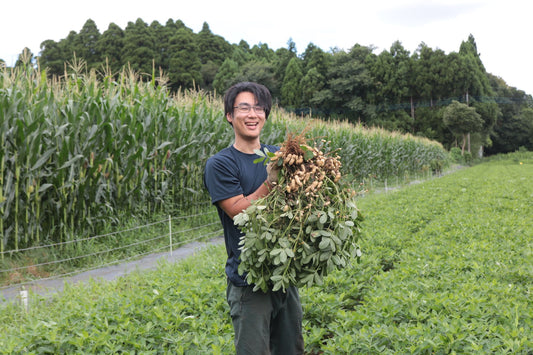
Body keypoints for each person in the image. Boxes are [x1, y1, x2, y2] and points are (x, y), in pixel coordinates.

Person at [204, 82, 304, 354]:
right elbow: (238, 211)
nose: (253, 114)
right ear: (229, 115)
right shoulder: (221, 163)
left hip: (284, 276)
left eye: (259, 108)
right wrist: (271, 181)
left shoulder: (279, 155)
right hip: (249, 281)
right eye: (244, 108)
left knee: (291, 349)